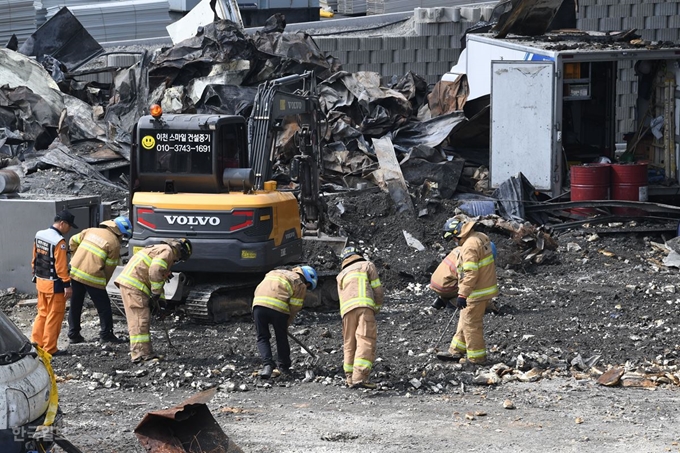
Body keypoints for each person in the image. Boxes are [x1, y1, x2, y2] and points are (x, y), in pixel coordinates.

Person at [114, 238, 192, 363]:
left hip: (131, 285)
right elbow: (155, 271)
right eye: (178, 259)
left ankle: (145, 352)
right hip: (135, 286)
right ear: (180, 252)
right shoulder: (168, 252)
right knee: (140, 320)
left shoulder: (157, 249)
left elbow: (159, 278)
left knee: (139, 320)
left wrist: (161, 301)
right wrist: (156, 293)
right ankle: (141, 355)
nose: (176, 261)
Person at [436, 217, 498, 365]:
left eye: (453, 238)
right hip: (484, 288)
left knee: (471, 324)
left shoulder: (469, 246)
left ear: (458, 234)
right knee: (465, 318)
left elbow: (470, 273)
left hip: (475, 292)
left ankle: (476, 358)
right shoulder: (480, 237)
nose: (454, 242)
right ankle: (456, 350)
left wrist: (462, 294)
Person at [67, 216, 132, 345]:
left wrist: (74, 257)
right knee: (104, 307)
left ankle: (73, 334)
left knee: (75, 304)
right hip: (93, 277)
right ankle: (106, 334)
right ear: (119, 232)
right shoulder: (114, 244)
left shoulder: (90, 231)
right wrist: (103, 283)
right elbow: (109, 268)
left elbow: (72, 241)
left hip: (75, 272)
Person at [252, 265, 318, 379]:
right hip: (279, 308)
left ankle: (267, 365)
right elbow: (294, 307)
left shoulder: (273, 272)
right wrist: (286, 323)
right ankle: (284, 366)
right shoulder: (299, 283)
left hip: (258, 306)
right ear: (306, 279)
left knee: (262, 337)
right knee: (281, 336)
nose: (306, 287)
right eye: (308, 285)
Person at [336, 246, 384, 389]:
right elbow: (377, 290)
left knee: (349, 342)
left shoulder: (341, 275)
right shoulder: (367, 265)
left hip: (346, 311)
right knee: (365, 339)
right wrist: (377, 307)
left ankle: (350, 377)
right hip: (364, 306)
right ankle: (360, 377)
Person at [31, 210, 77, 356]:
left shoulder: (39, 234)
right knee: (54, 316)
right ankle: (50, 348)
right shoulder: (59, 242)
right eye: (69, 226)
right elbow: (61, 267)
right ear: (62, 223)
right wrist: (67, 285)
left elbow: (35, 258)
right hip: (54, 286)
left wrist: (35, 274)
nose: (69, 229)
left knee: (42, 313)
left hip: (41, 282)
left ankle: (36, 343)